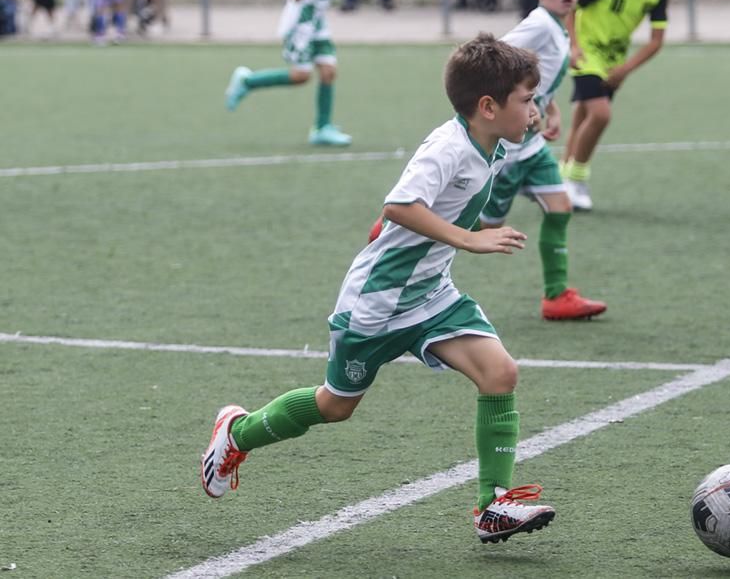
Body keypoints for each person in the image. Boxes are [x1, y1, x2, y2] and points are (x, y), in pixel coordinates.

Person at [201, 33, 557, 544]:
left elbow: (414, 208)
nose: (533, 109)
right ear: (487, 106)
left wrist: (528, 120)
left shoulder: (494, 135)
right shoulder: (448, 148)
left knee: (500, 372)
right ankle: (235, 434)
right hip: (378, 302)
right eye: (525, 101)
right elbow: (399, 206)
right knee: (335, 406)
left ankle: (492, 506)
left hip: (431, 294)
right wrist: (469, 239)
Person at [486, 0, 607, 320]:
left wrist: (548, 107)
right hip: (508, 147)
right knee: (485, 227)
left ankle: (556, 296)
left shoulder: (557, 29)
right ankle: (403, 228)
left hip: (532, 145)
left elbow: (532, 77)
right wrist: (525, 106)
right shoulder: (539, 24)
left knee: (561, 206)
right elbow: (497, 56)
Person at [223, 0, 392, 147]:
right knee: (300, 76)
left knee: (328, 71)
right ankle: (247, 81)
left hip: (318, 21)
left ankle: (322, 128)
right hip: (301, 19)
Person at [561, 0, 680, 212]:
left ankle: (560, 176)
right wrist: (573, 46)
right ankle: (577, 178)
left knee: (583, 116)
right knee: (601, 115)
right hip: (587, 54)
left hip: (614, 62)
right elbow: (570, 7)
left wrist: (625, 69)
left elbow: (656, 41)